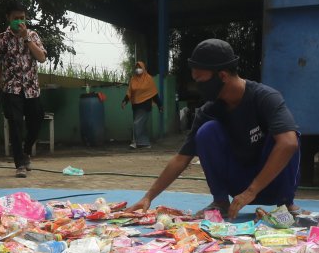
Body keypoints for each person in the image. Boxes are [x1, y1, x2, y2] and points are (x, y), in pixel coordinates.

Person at [127, 39, 301, 219]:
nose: (197, 86)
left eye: (200, 80)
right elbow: (181, 158)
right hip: (239, 187)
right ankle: (221, 202)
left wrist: (251, 191)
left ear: (223, 76)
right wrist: (148, 197)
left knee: (287, 135)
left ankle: (287, 203)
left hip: (272, 184)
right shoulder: (209, 111)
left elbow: (288, 144)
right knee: (206, 131)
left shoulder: (265, 97)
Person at [0, 0, 47, 177]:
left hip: (31, 89)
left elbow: (42, 58)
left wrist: (26, 38)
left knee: (36, 120)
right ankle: (20, 164)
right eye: (15, 18)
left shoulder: (33, 36)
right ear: (8, 18)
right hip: (11, 89)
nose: (19, 21)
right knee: (15, 124)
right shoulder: (0, 39)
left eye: (22, 18)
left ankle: (26, 151)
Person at [121, 60, 162, 149]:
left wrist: (160, 105)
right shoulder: (133, 79)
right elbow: (129, 93)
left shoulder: (149, 79)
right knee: (141, 125)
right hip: (135, 106)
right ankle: (145, 143)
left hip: (145, 106)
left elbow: (154, 94)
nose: (138, 69)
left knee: (137, 124)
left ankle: (136, 142)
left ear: (143, 68)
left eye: (140, 67)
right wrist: (124, 101)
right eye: (136, 68)